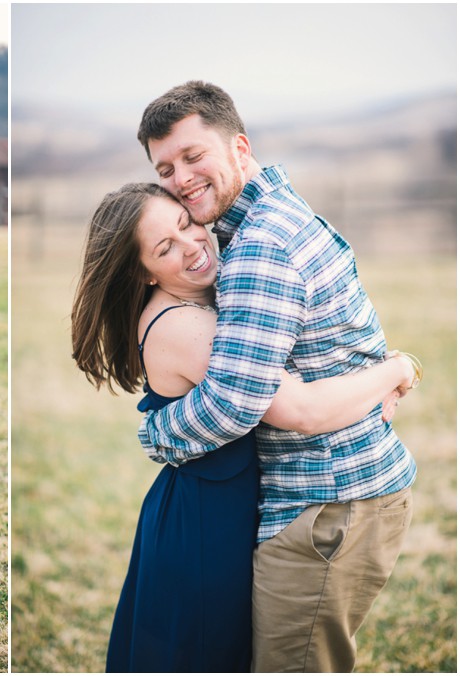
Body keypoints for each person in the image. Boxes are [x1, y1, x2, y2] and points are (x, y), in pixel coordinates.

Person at [70, 183, 418, 672]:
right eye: (165, 247)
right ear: (140, 272)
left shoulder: (207, 299)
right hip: (207, 524)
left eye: (186, 223)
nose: (192, 245)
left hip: (224, 505)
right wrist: (399, 369)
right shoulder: (187, 327)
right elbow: (304, 408)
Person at [134, 81, 419, 672]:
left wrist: (157, 430)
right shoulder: (275, 212)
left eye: (193, 156)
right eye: (165, 167)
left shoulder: (259, 244)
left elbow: (242, 406)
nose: (181, 178)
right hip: (339, 498)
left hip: (326, 506)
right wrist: (392, 367)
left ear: (239, 147)